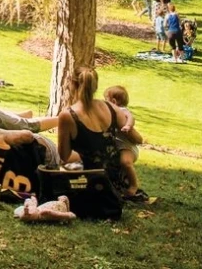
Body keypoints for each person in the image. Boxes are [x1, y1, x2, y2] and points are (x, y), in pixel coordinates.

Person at [57, 67, 141, 200]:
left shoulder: (67, 115)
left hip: (89, 182)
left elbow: (64, 156)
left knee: (60, 171)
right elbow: (136, 138)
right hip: (115, 181)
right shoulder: (111, 107)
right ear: (95, 86)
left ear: (72, 84)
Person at [102, 86, 146, 199]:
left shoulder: (122, 110)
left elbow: (131, 117)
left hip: (127, 146)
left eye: (105, 99)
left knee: (125, 162)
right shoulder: (110, 112)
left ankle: (134, 185)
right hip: (119, 146)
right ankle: (122, 184)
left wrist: (127, 125)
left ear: (113, 101)